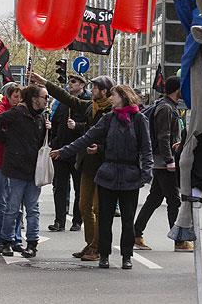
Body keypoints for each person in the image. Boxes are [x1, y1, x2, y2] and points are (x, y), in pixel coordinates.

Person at [51, 85, 153, 270]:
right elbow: (86, 138)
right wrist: (64, 151)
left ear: (123, 96)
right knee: (105, 218)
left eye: (113, 95)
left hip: (130, 176)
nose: (111, 99)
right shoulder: (108, 119)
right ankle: (104, 255)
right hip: (108, 173)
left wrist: (146, 174)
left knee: (128, 220)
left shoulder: (139, 119)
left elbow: (146, 149)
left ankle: (126, 256)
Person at [30, 71, 115, 262]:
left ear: (105, 91)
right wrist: (45, 82)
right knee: (84, 206)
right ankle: (90, 244)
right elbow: (67, 98)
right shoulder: (90, 107)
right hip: (87, 164)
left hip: (104, 166)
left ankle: (98, 247)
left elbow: (118, 141)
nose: (91, 90)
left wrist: (99, 149)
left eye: (95, 87)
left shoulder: (112, 112)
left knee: (98, 208)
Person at [0, 84, 52, 258]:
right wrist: (8, 141)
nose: (47, 101)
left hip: (34, 170)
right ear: (34, 99)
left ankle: (32, 243)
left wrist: (49, 131)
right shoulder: (17, 113)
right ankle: (7, 241)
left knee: (33, 209)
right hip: (16, 169)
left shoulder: (40, 118)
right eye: (44, 97)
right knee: (13, 208)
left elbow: (43, 144)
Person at [134, 76, 191, 252]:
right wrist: (169, 160)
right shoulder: (166, 108)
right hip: (164, 162)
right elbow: (163, 136)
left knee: (155, 198)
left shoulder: (167, 106)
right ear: (176, 89)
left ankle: (135, 234)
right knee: (174, 200)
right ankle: (179, 241)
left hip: (162, 160)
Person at [0, 83, 23, 253]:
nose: (18, 100)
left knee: (15, 202)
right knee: (1, 201)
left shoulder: (23, 110)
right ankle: (1, 239)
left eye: (21, 97)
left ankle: (15, 237)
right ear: (8, 96)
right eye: (16, 96)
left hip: (16, 161)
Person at [48, 73, 87, 233]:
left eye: (74, 81)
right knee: (60, 186)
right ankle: (59, 221)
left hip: (78, 152)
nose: (70, 84)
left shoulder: (87, 102)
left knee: (79, 188)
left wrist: (77, 126)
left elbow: (93, 126)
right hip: (61, 151)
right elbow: (56, 122)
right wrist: (53, 140)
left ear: (82, 84)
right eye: (70, 81)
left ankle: (77, 220)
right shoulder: (63, 103)